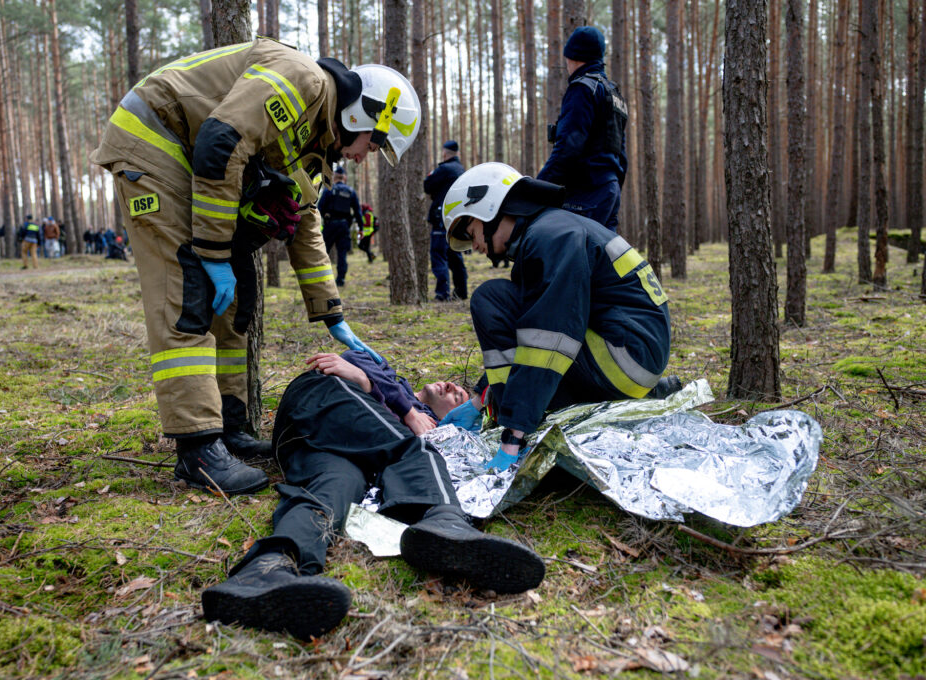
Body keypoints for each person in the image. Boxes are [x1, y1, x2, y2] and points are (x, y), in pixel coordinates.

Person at [91, 38, 422, 497]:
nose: (363, 157)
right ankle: (198, 449)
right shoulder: (300, 79)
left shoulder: (316, 141)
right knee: (186, 290)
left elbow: (305, 221)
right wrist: (211, 252)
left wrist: (332, 313)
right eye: (374, 142)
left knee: (237, 300)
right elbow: (219, 142)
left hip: (193, 161)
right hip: (153, 142)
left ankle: (228, 425)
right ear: (360, 116)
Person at [201, 350, 545, 639]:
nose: (453, 388)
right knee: (412, 449)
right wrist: (381, 392)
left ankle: (265, 569)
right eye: (456, 389)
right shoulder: (394, 387)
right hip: (322, 395)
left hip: (303, 441)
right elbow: (343, 361)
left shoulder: (425, 424)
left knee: (334, 488)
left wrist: (432, 418)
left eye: (457, 398)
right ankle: (445, 520)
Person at [443, 162, 677, 472]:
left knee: (491, 299)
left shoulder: (551, 238)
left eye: (472, 233)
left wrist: (513, 438)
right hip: (629, 358)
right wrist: (478, 399)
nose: (475, 246)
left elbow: (549, 338)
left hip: (622, 359)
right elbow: (532, 327)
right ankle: (502, 407)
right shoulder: (551, 231)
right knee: (512, 313)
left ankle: (514, 416)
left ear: (489, 209)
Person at [537, 26, 628, 232]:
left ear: (573, 56)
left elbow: (568, 147)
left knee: (576, 259)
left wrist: (538, 187)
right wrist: (612, 187)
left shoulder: (582, 89)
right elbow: (621, 155)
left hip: (585, 192)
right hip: (609, 191)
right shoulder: (614, 94)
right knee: (605, 259)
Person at [423, 140, 468, 301]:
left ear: (444, 153)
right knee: (455, 255)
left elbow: (427, 185)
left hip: (441, 217)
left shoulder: (444, 169)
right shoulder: (461, 170)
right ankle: (461, 291)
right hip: (457, 218)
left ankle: (442, 293)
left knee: (438, 254)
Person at [317, 165, 362, 286]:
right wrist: (361, 228)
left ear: (334, 177)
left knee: (323, 252)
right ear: (344, 178)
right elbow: (357, 212)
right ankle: (340, 279)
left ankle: (321, 278)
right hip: (344, 226)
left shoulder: (329, 189)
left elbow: (319, 207)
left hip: (330, 225)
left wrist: (322, 218)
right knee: (342, 254)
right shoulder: (351, 192)